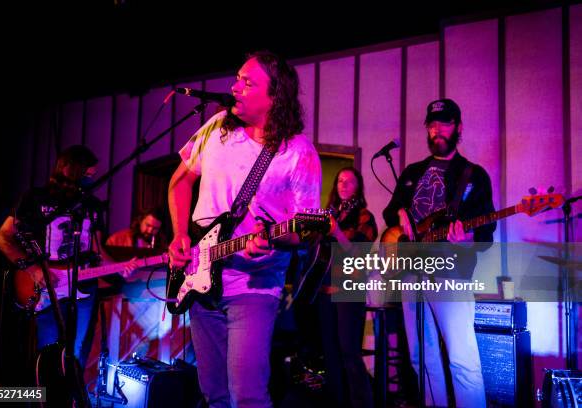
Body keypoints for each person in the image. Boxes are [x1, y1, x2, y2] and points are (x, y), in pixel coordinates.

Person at [168, 51, 321, 407]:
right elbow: (179, 183)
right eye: (237, 78)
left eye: (247, 82)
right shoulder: (217, 127)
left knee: (247, 396)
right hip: (199, 278)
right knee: (214, 394)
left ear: (275, 96)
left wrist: (275, 238)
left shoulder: (299, 153)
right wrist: (179, 235)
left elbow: (307, 228)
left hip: (254, 285)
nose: (234, 87)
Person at [383, 99, 495, 407]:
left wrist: (466, 239)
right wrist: (399, 218)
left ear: (458, 127)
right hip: (409, 272)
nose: (437, 130)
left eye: (444, 123)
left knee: (463, 361)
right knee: (421, 359)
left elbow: (486, 235)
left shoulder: (473, 175)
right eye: (432, 124)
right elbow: (390, 211)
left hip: (451, 274)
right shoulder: (412, 172)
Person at [0, 145, 136, 385]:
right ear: (74, 172)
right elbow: (3, 237)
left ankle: (68, 400)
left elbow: (98, 251)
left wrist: (119, 267)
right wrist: (32, 268)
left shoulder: (92, 205)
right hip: (46, 285)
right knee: (47, 354)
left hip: (83, 289)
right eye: (89, 174)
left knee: (75, 355)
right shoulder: (35, 198)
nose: (93, 179)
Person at [317, 167, 377, 408]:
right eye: (340, 180)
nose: (343, 185)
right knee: (330, 353)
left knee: (349, 352)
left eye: (349, 182)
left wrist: (335, 232)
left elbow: (357, 254)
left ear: (358, 187)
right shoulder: (328, 215)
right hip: (325, 290)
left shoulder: (364, 217)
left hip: (349, 290)